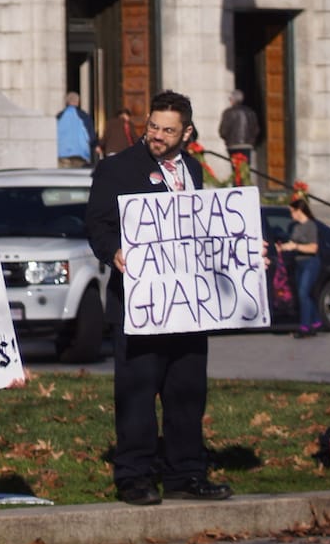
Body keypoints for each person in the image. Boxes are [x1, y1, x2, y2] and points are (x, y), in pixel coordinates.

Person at [85, 89, 233, 507]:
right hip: (140, 303)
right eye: (153, 126)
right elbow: (96, 224)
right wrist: (112, 251)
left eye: (168, 130)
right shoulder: (118, 169)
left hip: (188, 305)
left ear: (186, 132)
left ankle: (186, 472)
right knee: (136, 392)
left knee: (187, 392)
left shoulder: (195, 171)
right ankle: (134, 475)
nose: (158, 136)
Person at [280, 194, 321, 337]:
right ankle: (316, 321)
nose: (291, 214)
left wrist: (296, 246)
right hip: (299, 263)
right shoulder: (296, 227)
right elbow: (292, 244)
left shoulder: (311, 226)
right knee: (303, 294)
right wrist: (282, 247)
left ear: (299, 211)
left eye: (292, 211)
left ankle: (304, 327)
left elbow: (313, 248)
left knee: (303, 292)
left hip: (310, 263)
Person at [218, 90, 259, 177]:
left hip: (233, 145)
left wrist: (227, 139)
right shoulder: (250, 112)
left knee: (235, 170)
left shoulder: (228, 112)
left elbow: (223, 131)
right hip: (246, 145)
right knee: (245, 169)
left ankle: (237, 187)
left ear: (232, 100)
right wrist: (251, 141)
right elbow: (256, 129)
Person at [56, 87, 100, 167]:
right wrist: (95, 145)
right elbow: (91, 135)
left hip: (61, 154)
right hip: (79, 154)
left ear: (66, 102)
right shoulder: (84, 116)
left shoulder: (59, 116)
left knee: (63, 178)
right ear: (78, 102)